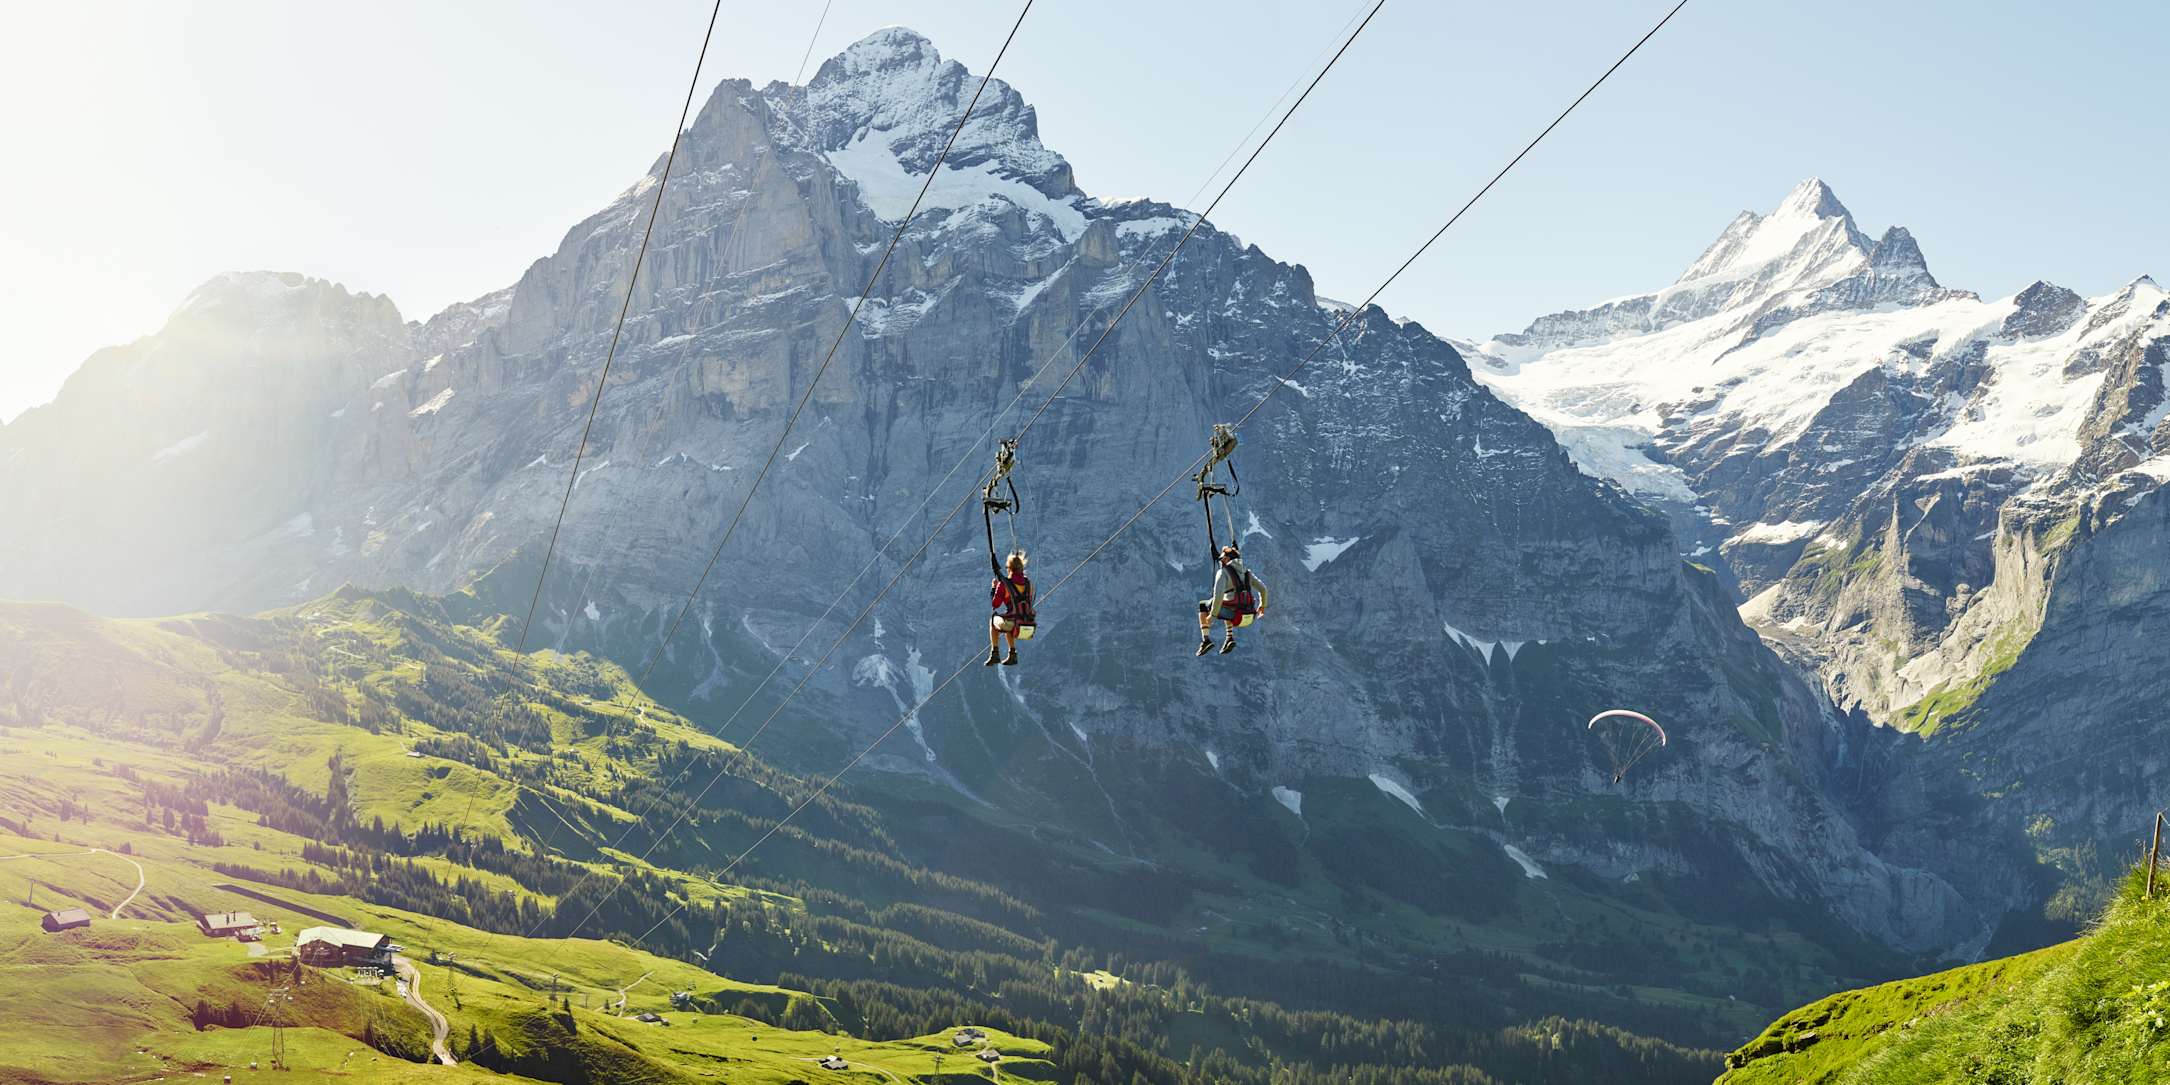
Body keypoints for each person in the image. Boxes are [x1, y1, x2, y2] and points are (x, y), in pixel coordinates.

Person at [1197, 544, 1262, 656]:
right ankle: (1229, 638)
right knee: (1228, 604)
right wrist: (1262, 605)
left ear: (1227, 559)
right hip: (1250, 616)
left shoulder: (1223, 573)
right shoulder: (1247, 573)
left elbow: (1217, 597)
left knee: (1203, 605)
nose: (1221, 561)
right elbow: (1263, 590)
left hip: (1237, 616)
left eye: (1223, 558)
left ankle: (1206, 640)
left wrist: (1212, 616)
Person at [988, 550, 1033, 666]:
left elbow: (995, 604)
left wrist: (994, 588)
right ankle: (1012, 654)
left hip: (1014, 625)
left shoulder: (1004, 584)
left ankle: (995, 653)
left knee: (994, 621)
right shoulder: (1028, 584)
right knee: (1008, 617)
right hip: (1028, 627)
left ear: (1009, 568)